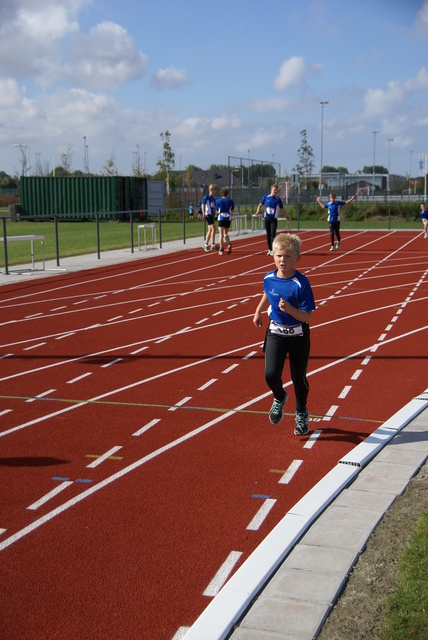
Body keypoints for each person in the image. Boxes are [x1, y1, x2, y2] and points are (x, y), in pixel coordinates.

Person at [253, 233, 315, 435]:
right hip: (276, 332)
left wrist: (290, 310)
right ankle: (279, 396)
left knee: (299, 378)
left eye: (288, 256)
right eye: (279, 255)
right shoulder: (269, 277)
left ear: (297, 258)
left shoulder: (302, 283)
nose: (282, 260)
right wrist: (258, 310)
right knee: (270, 374)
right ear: (273, 256)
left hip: (298, 335)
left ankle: (301, 413)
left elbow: (307, 317)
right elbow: (267, 291)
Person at [255, 184, 289, 256]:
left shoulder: (277, 199)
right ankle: (269, 249)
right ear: (271, 190)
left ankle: (273, 249)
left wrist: (286, 217)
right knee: (268, 234)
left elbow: (282, 209)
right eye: (275, 190)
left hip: (274, 219)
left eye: (277, 190)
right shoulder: (266, 197)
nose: (276, 191)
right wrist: (258, 211)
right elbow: (260, 204)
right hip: (267, 218)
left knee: (273, 234)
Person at [216, 187, 234, 255]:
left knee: (221, 235)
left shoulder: (218, 201)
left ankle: (221, 249)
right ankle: (228, 244)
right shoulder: (230, 201)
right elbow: (231, 209)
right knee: (225, 233)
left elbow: (217, 211)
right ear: (227, 193)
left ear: (221, 193)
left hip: (221, 218)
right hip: (228, 218)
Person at [201, 184, 218, 251]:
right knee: (214, 229)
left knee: (210, 230)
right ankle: (213, 244)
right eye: (215, 190)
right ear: (211, 190)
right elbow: (203, 204)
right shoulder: (207, 197)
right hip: (208, 214)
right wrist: (203, 213)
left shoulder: (213, 198)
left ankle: (206, 244)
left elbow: (213, 206)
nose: (216, 191)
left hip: (211, 214)